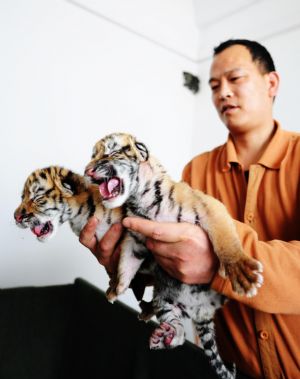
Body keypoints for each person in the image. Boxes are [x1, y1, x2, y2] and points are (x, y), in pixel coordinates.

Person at [79, 39, 300, 379]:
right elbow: (179, 273)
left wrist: (219, 260)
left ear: (271, 83)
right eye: (214, 86)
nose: (222, 93)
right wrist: (133, 269)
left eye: (235, 79)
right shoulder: (195, 172)